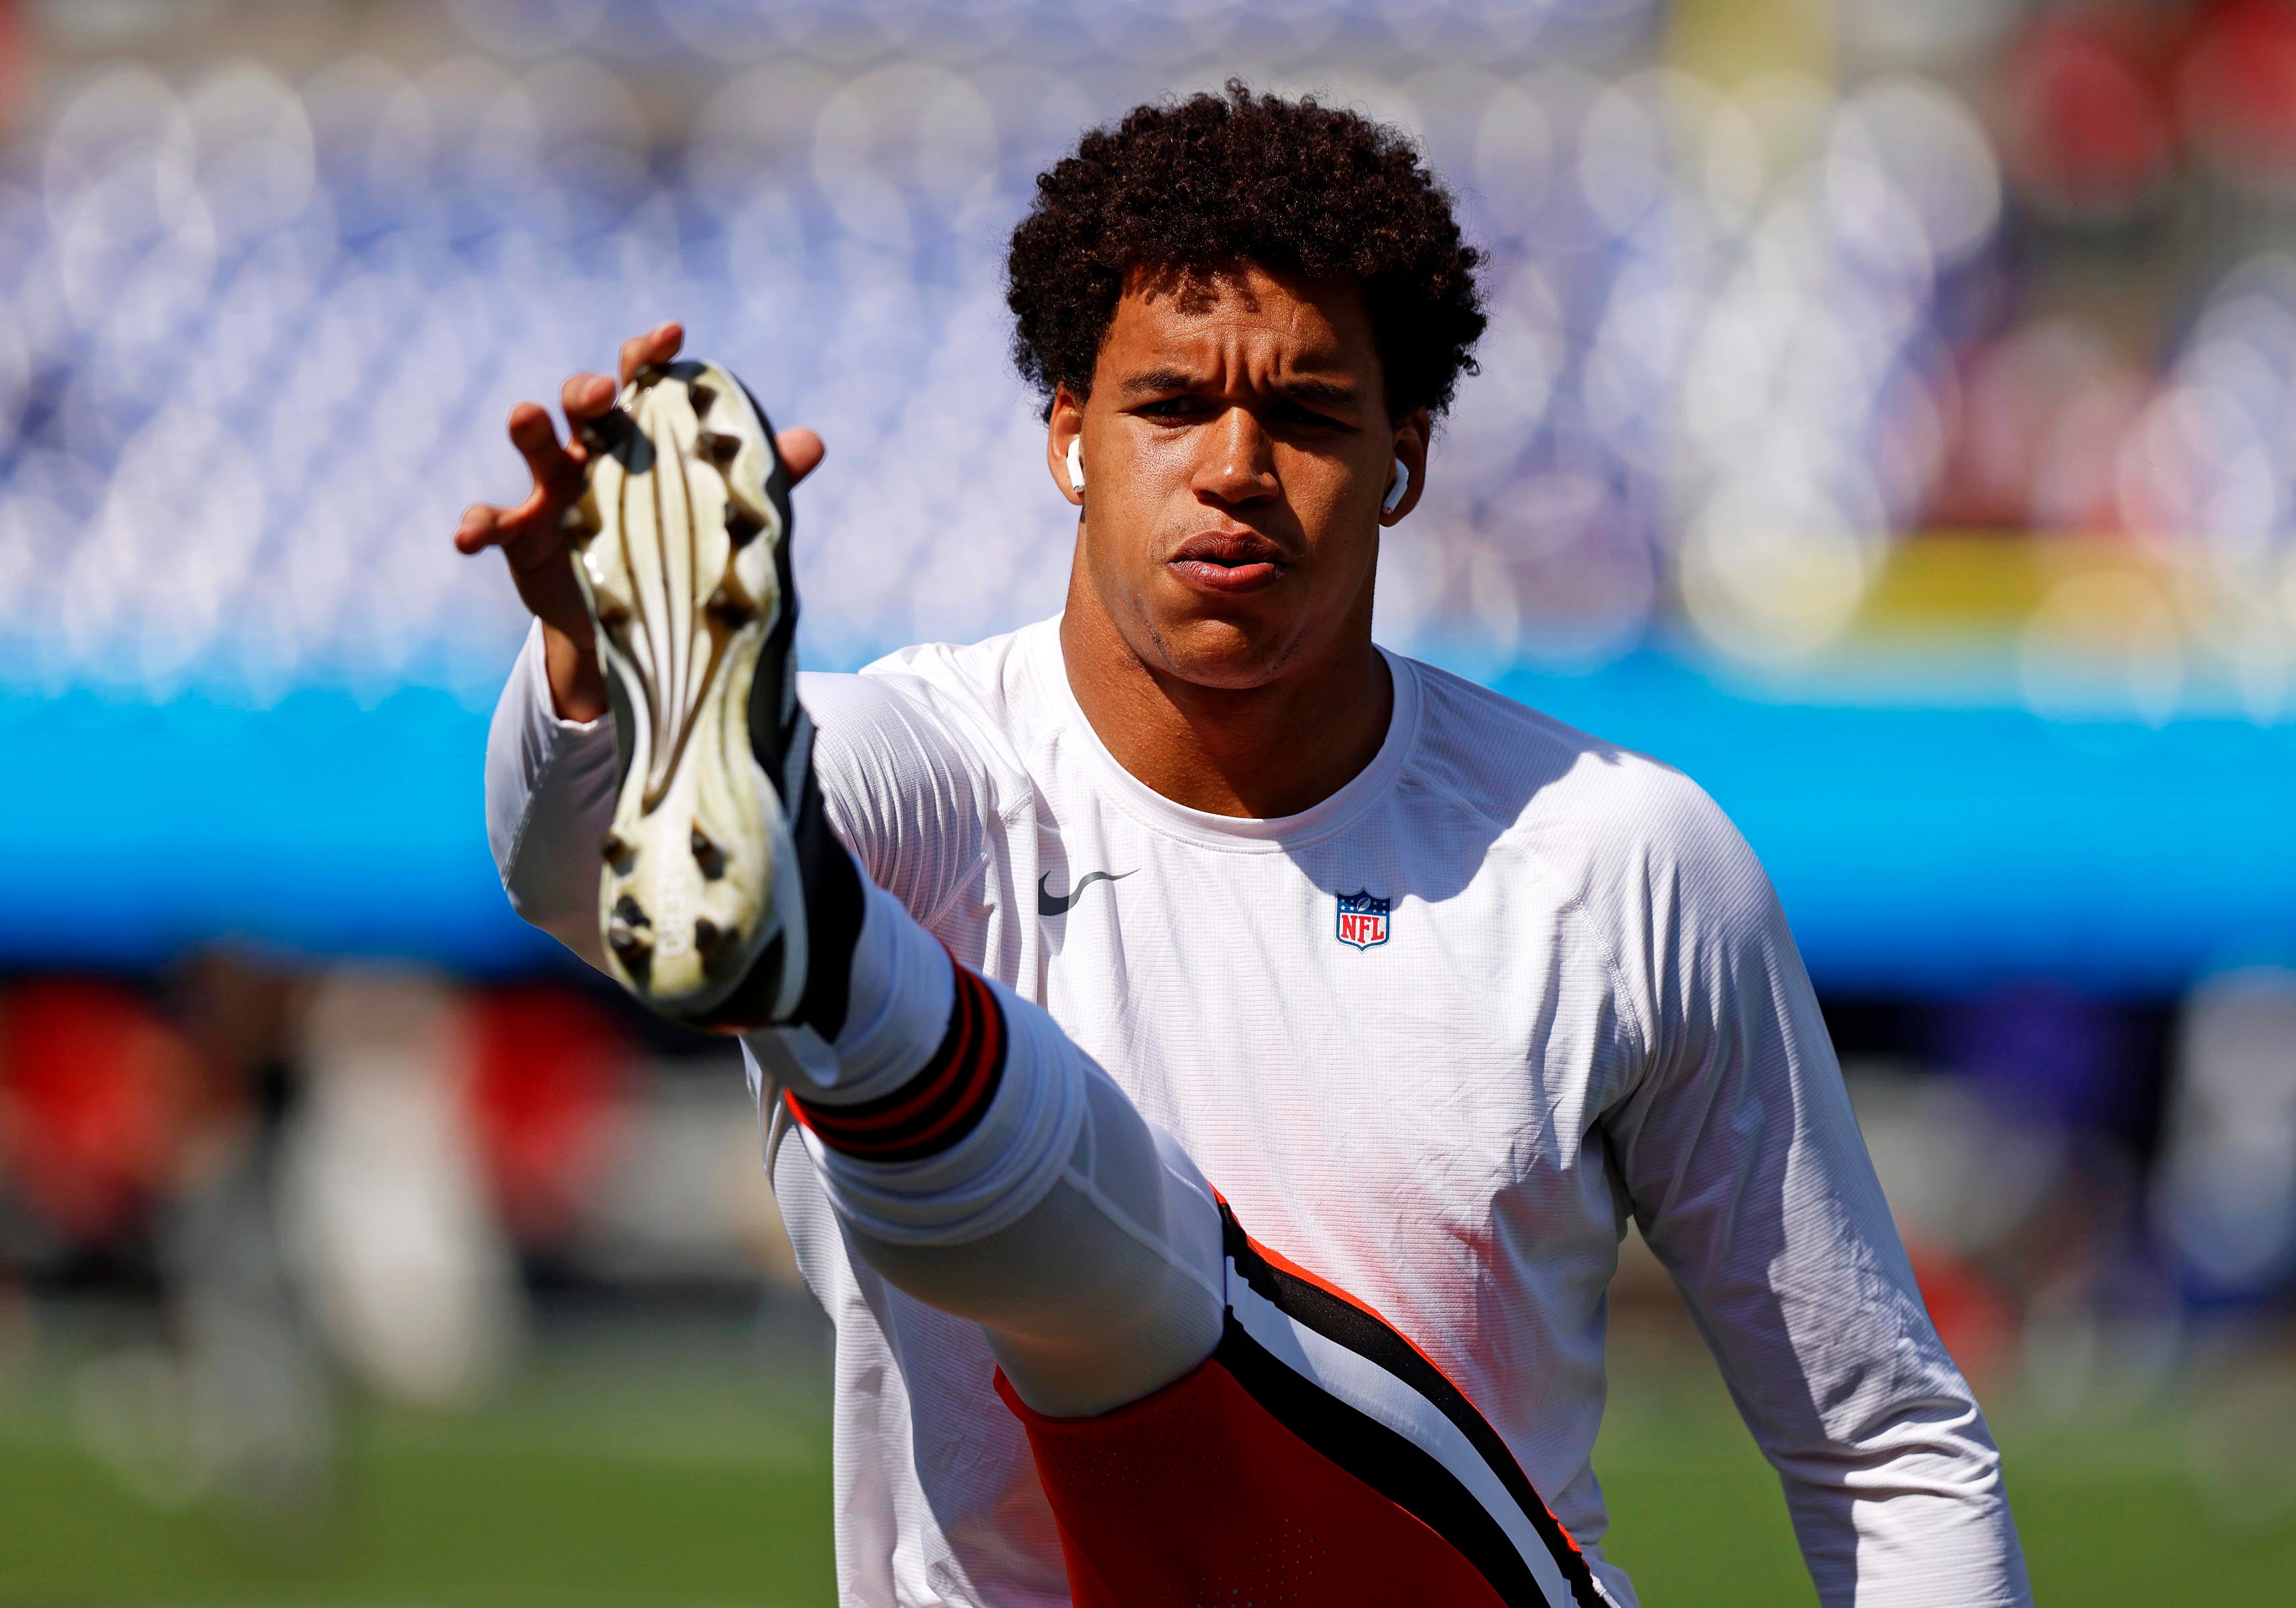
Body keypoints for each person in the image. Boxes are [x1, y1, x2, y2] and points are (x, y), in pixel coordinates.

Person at [461, 85, 2030, 1607]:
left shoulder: (1619, 859)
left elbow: (1883, 1446)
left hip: (1452, 1578)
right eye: (1167, 403)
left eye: (1305, 412)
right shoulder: (925, 769)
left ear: (1404, 459)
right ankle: (831, 955)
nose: (1232, 465)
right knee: (793, 878)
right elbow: (587, 871)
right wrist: (605, 686)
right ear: (1067, 433)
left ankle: (848, 986)